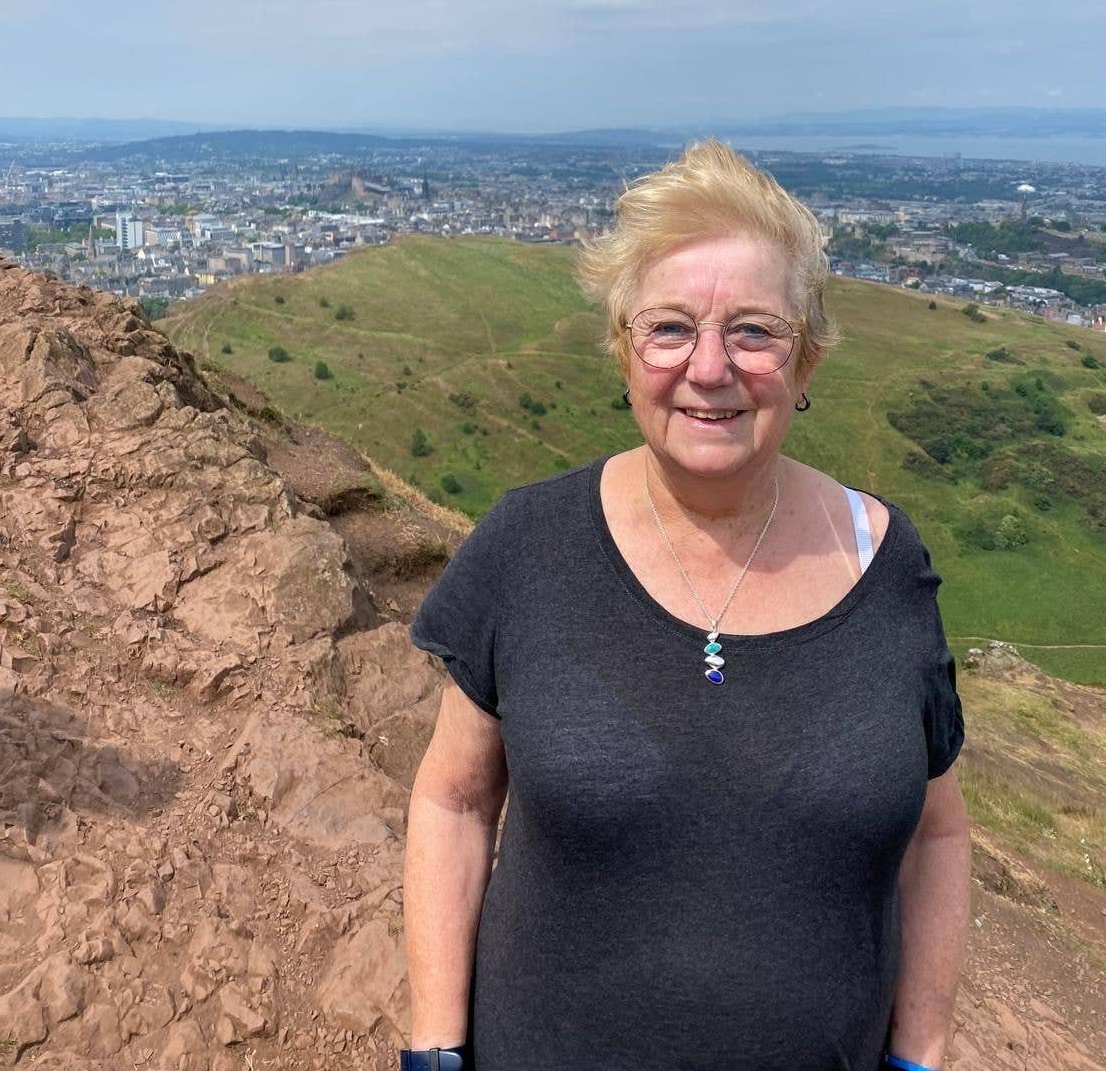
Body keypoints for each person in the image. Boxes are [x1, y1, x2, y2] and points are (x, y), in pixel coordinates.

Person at [400, 140, 970, 1071]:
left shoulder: (886, 562)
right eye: (669, 329)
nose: (710, 368)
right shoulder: (526, 545)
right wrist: (434, 1049)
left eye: (754, 331)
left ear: (807, 360)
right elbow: (454, 801)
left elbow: (938, 831)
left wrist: (924, 1051)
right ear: (624, 352)